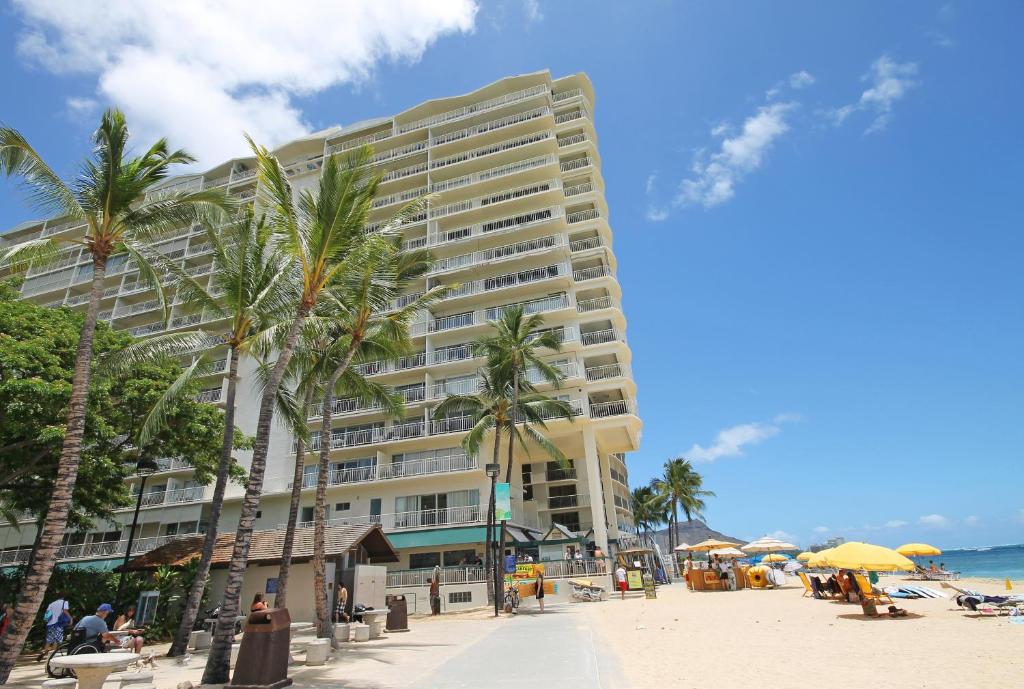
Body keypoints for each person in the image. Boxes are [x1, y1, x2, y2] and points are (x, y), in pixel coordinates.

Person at [37, 593, 72, 662]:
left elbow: (47, 614)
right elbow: (65, 611)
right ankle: (51, 657)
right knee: (56, 640)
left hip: (50, 624)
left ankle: (44, 652)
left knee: (49, 640)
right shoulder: (64, 602)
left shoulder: (51, 604)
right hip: (58, 624)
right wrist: (71, 618)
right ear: (63, 597)